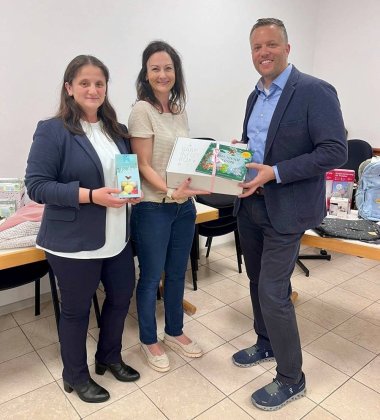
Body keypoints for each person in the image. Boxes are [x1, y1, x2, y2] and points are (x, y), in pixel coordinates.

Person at [232, 18, 347, 411]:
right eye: (256, 47)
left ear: (287, 48)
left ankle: (291, 378)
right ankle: (265, 343)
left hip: (289, 207)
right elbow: (258, 144)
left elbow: (334, 151)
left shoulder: (314, 91)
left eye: (271, 44)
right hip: (252, 203)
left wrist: (275, 172)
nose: (263, 52)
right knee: (255, 278)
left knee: (272, 290)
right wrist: (241, 153)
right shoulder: (254, 96)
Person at [25, 55, 141, 404]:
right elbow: (37, 186)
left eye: (100, 83)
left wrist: (130, 192)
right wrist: (91, 195)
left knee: (121, 297)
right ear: (69, 88)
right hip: (73, 243)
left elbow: (125, 176)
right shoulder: (53, 129)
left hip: (117, 237)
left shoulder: (115, 130)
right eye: (85, 83)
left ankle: (108, 356)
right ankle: (74, 375)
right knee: (76, 312)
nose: (93, 89)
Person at [128, 41, 208, 372]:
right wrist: (168, 190)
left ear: (176, 73)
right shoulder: (141, 111)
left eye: (168, 68)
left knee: (177, 273)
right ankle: (149, 339)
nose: (163, 74)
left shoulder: (179, 110)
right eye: (155, 68)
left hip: (183, 206)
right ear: (146, 74)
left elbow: (186, 159)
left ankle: (175, 331)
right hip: (153, 207)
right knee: (150, 278)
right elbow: (143, 165)